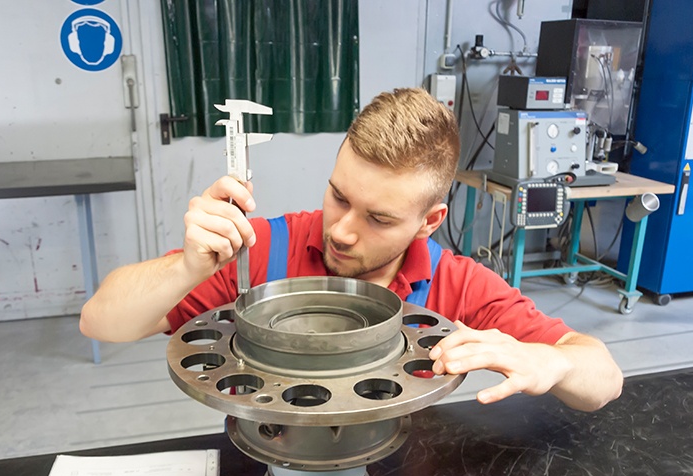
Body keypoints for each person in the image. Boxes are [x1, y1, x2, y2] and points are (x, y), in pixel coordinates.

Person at [80, 87, 622, 412]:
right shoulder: (261, 251)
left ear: (429, 223)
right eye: (339, 196)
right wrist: (186, 267)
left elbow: (605, 379)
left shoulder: (454, 285)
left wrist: (550, 361)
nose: (341, 231)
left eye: (379, 218)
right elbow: (100, 321)